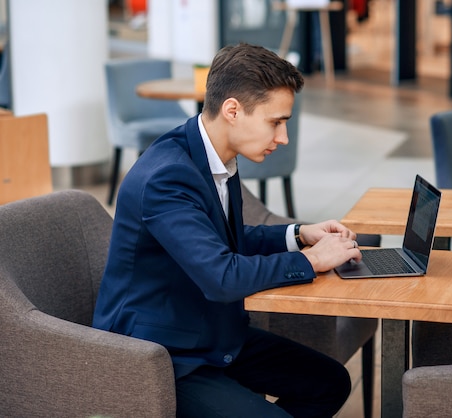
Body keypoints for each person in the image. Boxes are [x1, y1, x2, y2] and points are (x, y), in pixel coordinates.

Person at [92, 43, 362, 417]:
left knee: (329, 382)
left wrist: (298, 234)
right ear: (232, 110)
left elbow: (224, 243)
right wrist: (311, 260)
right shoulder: (166, 177)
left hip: (209, 332)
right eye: (276, 122)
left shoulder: (217, 156)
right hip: (161, 353)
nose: (283, 138)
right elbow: (221, 276)